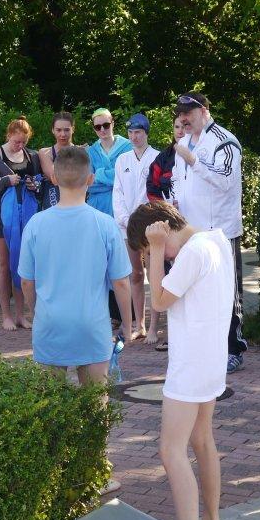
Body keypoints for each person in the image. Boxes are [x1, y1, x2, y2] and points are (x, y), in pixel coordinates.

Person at [18, 146, 132, 496]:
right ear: (91, 179)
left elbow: (26, 281)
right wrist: (128, 325)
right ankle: (95, 470)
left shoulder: (37, 224)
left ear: (54, 178)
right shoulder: (104, 224)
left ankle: (51, 473)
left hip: (50, 324)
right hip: (92, 325)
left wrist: (34, 312)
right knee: (96, 402)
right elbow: (122, 282)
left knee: (50, 403)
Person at [129, 202, 232, 520]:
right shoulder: (216, 240)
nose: (156, 257)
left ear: (162, 229)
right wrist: (158, 248)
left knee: (171, 450)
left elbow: (158, 301)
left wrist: (156, 250)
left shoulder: (192, 252)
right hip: (210, 360)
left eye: (149, 248)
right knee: (202, 440)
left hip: (190, 366)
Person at [172, 92, 247, 372]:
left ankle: (234, 349)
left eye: (188, 113)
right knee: (197, 291)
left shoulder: (225, 141)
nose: (183, 119)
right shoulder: (183, 143)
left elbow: (226, 181)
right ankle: (205, 348)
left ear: (204, 111)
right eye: (180, 114)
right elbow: (178, 181)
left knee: (228, 293)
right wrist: (175, 201)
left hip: (220, 232)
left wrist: (193, 160)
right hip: (190, 232)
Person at [0, 117, 40, 331]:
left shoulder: (31, 156)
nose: (19, 146)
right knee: (4, 265)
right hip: (2, 220)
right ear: (8, 135)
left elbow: (40, 182)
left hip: (26, 220)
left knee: (22, 265)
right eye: (16, 142)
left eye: (23, 142)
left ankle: (21, 315)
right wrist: (5, 181)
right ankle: (6, 315)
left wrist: (34, 185)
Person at [113, 113, 160, 344]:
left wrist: (146, 219)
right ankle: (138, 325)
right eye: (130, 133)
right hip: (128, 226)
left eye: (138, 132)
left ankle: (153, 327)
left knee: (154, 274)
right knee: (135, 274)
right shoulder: (122, 160)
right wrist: (125, 219)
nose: (134, 137)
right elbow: (118, 192)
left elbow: (158, 193)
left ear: (146, 133)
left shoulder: (157, 158)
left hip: (151, 225)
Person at [87, 108, 132, 215]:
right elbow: (88, 185)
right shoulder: (91, 151)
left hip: (123, 204)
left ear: (113, 124)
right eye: (98, 127)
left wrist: (98, 174)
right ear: (94, 129)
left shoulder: (128, 147)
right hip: (97, 207)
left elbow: (129, 177)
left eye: (106, 125)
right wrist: (116, 181)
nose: (102, 129)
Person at [37, 112, 77, 209]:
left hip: (76, 203)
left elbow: (82, 179)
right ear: (53, 130)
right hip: (52, 203)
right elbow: (55, 177)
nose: (62, 134)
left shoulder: (82, 151)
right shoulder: (45, 152)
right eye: (58, 130)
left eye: (67, 130)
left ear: (73, 129)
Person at [146, 115, 185, 204]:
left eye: (183, 127)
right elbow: (152, 187)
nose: (180, 131)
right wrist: (166, 208)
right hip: (169, 210)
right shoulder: (163, 157)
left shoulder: (198, 154)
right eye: (177, 127)